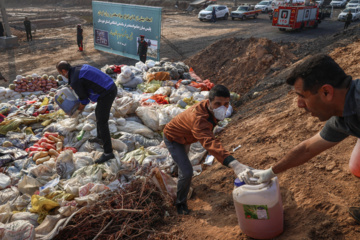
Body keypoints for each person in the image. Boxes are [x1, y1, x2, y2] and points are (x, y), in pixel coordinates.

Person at [239, 53, 360, 224]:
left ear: (326, 92)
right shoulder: (342, 113)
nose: (299, 104)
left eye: (302, 96)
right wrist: (270, 172)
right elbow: (307, 148)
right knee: (357, 166)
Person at [163, 85, 250, 215]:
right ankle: (180, 203)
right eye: (218, 104)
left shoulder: (210, 109)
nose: (222, 107)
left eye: (226, 104)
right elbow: (209, 142)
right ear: (209, 102)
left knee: (182, 163)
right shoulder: (198, 119)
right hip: (174, 137)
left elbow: (209, 131)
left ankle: (176, 171)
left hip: (187, 136)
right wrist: (234, 163)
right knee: (187, 172)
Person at [56, 61, 117, 164]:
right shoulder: (77, 69)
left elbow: (84, 101)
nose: (62, 75)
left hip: (107, 92)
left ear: (64, 71)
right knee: (99, 115)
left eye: (61, 73)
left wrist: (76, 112)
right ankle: (100, 138)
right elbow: (82, 84)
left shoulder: (75, 79)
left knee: (102, 122)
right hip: (108, 86)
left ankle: (108, 153)